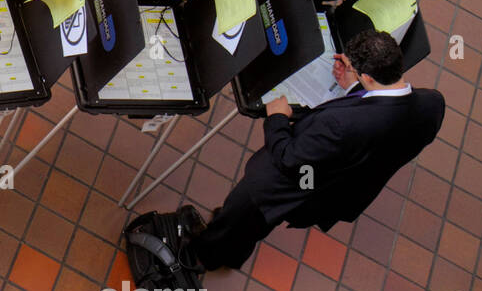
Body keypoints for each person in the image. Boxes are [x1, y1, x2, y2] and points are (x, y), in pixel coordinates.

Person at [180, 28, 444, 273]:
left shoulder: (339, 125)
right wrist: (353, 89)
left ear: (367, 77)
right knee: (254, 225)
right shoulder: (433, 104)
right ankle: (234, 249)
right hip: (344, 185)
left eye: (349, 66)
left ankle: (205, 257)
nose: (342, 64)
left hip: (297, 186)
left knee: (244, 212)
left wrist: (277, 118)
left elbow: (289, 158)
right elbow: (380, 123)